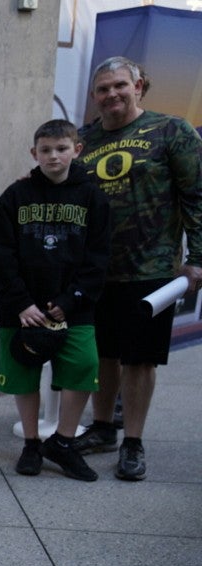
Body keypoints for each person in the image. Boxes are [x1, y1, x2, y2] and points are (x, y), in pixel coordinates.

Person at [72, 56, 202, 481]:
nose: (111, 94)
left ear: (139, 86)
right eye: (103, 89)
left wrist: (197, 258)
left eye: (119, 86)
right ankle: (104, 428)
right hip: (96, 270)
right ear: (94, 97)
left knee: (139, 360)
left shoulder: (172, 132)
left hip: (152, 267)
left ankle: (133, 442)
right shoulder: (83, 140)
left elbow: (196, 196)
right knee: (103, 355)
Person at [0, 119, 110, 480]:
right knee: (23, 374)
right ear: (33, 153)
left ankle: (64, 442)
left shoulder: (93, 198)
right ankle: (31, 443)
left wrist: (70, 300)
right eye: (45, 149)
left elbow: (99, 257)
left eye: (61, 148)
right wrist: (22, 302)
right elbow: (0, 254)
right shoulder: (14, 196)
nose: (53, 156)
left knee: (83, 367)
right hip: (21, 308)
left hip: (75, 307)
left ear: (77, 150)